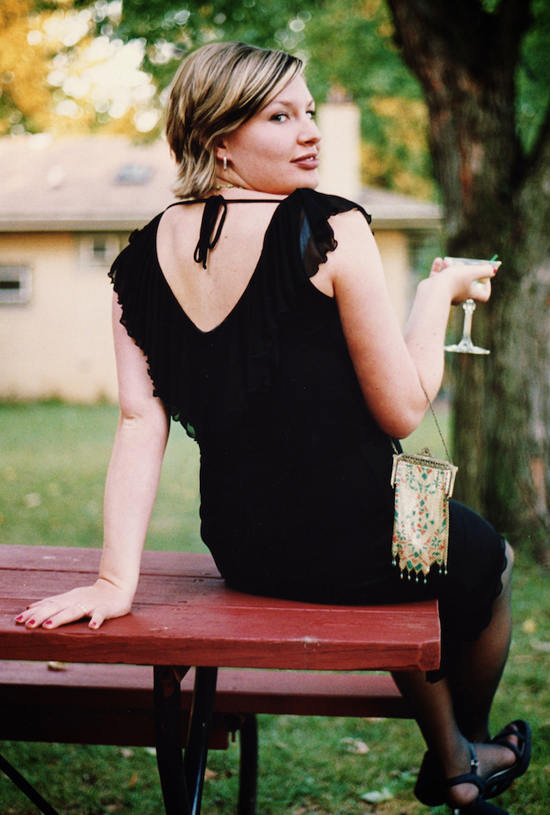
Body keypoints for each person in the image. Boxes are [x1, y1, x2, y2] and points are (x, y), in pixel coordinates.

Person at [16, 42, 530, 814]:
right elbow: (403, 408)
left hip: (247, 548)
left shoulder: (139, 257)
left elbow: (139, 420)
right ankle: (470, 747)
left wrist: (115, 581)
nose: (311, 131)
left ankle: (455, 758)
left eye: (310, 111)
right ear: (219, 138)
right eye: (280, 116)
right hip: (365, 533)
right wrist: (438, 295)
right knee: (491, 562)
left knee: (416, 566)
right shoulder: (331, 227)